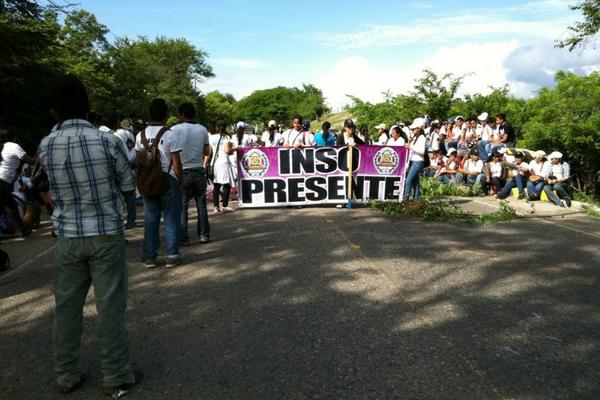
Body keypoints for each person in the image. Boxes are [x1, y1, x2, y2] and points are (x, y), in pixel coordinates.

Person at [38, 75, 139, 396]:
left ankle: (67, 374)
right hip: (106, 233)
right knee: (110, 308)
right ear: (88, 107)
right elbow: (127, 187)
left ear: (54, 112)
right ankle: (117, 376)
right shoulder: (109, 142)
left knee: (66, 308)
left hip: (67, 235)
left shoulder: (46, 144)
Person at [135, 98, 183, 268]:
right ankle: (171, 255)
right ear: (165, 114)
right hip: (167, 178)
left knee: (151, 219)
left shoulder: (139, 136)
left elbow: (137, 161)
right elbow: (176, 162)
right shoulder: (170, 134)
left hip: (147, 181)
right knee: (171, 218)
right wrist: (180, 182)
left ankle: (149, 257)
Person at [170, 102, 210, 245]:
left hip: (182, 172)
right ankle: (204, 235)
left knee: (182, 206)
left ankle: (184, 238)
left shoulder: (174, 130)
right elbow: (206, 151)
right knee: (202, 205)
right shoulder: (203, 130)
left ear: (181, 114)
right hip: (199, 171)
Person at [0, 128, 36, 238]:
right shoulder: (13, 146)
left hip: (3, 182)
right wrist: (39, 161)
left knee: (12, 205)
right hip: (3, 182)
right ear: (14, 137)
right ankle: (21, 230)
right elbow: (28, 160)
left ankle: (22, 230)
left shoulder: (2, 147)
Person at [114, 116, 137, 229]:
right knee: (130, 195)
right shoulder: (130, 135)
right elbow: (132, 149)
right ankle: (131, 220)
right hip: (129, 166)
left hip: (118, 166)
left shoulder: (115, 134)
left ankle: (120, 221)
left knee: (118, 196)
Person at [209, 120, 235, 213]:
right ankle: (224, 206)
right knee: (227, 184)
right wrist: (236, 149)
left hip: (214, 163)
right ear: (225, 127)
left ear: (216, 127)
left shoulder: (211, 137)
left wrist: (206, 164)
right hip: (224, 162)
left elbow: (209, 152)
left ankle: (216, 207)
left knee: (216, 185)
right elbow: (228, 151)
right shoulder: (227, 137)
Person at [403, 117, 427, 202]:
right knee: (415, 181)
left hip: (418, 162)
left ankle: (405, 199)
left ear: (419, 129)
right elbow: (411, 152)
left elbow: (422, 151)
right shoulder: (414, 138)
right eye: (411, 129)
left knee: (408, 180)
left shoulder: (422, 138)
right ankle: (416, 198)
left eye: (413, 129)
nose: (412, 130)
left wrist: (411, 146)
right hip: (413, 161)